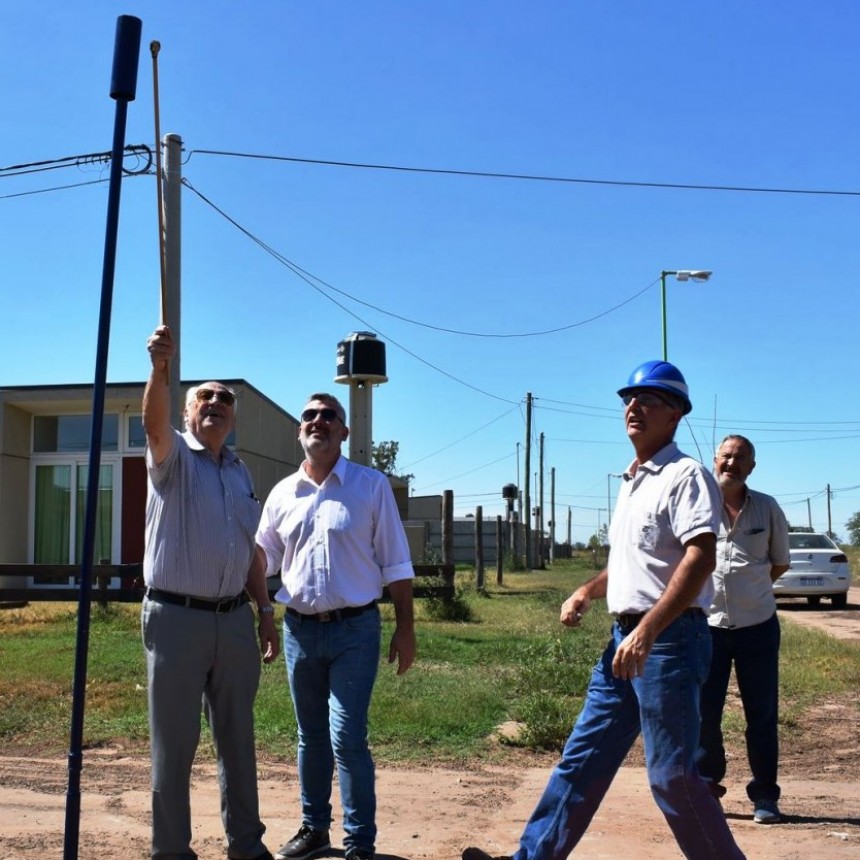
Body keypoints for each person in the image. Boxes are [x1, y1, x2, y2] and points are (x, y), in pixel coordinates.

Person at [463, 360, 747, 860]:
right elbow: (631, 565)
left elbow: (701, 558)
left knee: (673, 777)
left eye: (649, 400)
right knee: (583, 759)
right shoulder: (633, 480)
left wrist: (648, 631)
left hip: (669, 642)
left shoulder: (685, 475)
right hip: (625, 641)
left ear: (676, 414)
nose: (634, 407)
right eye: (629, 400)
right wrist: (585, 591)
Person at [255, 392, 416, 860]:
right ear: (299, 431)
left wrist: (405, 628)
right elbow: (262, 558)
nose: (318, 421)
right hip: (299, 632)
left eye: (329, 416)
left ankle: (359, 842)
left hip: (355, 631)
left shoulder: (370, 486)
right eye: (309, 416)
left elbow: (396, 563)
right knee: (310, 736)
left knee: (346, 736)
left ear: (344, 431)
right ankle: (314, 829)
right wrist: (261, 609)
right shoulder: (283, 494)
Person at [141, 324, 279, 860]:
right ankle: (172, 851)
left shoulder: (240, 473)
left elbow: (249, 551)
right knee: (174, 746)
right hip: (176, 619)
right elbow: (153, 424)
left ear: (233, 417)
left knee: (237, 740)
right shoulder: (172, 455)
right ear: (187, 412)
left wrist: (264, 610)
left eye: (225, 398)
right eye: (205, 396)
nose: (216, 402)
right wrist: (159, 369)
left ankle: (246, 845)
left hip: (234, 620)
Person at [697, 434, 790, 824]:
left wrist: (750, 592)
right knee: (704, 713)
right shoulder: (698, 505)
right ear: (715, 460)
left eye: (740, 458)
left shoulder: (767, 508)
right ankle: (707, 790)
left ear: (752, 467)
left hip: (758, 627)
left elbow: (779, 562)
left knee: (762, 714)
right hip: (708, 626)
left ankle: (765, 795)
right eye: (726, 456)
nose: (732, 463)